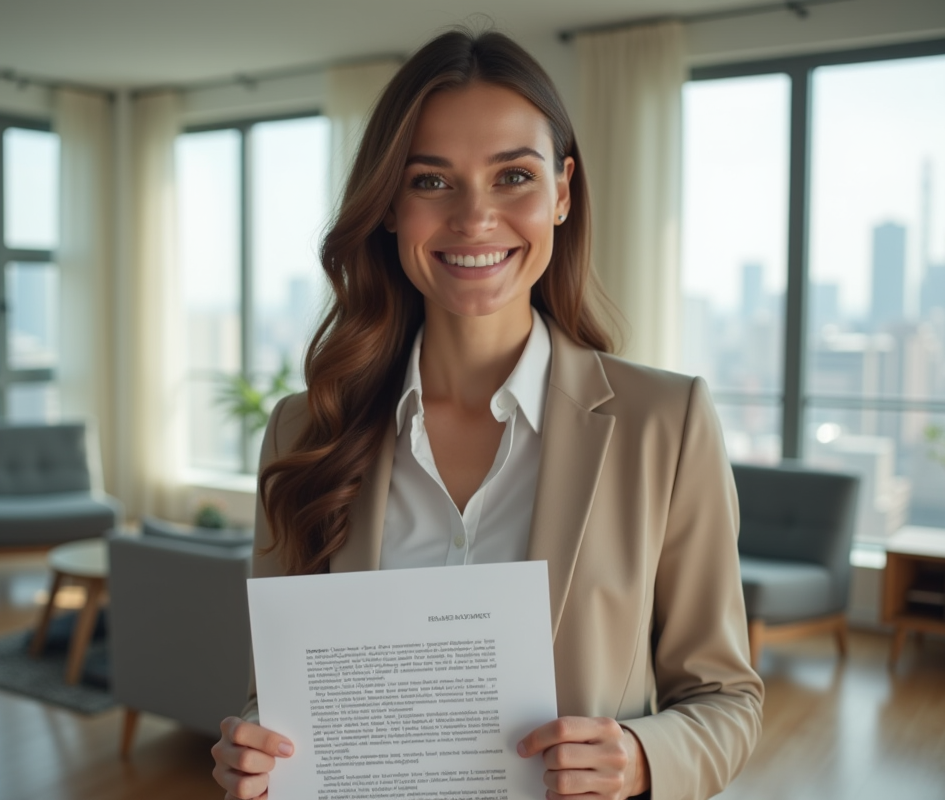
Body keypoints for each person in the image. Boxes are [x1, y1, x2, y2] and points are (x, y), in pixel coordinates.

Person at [211, 28, 763, 800]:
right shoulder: (307, 431)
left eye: (513, 176)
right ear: (390, 209)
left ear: (562, 192)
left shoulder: (665, 425)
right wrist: (252, 751)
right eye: (431, 182)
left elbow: (727, 701)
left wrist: (640, 756)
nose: (475, 218)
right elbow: (274, 698)